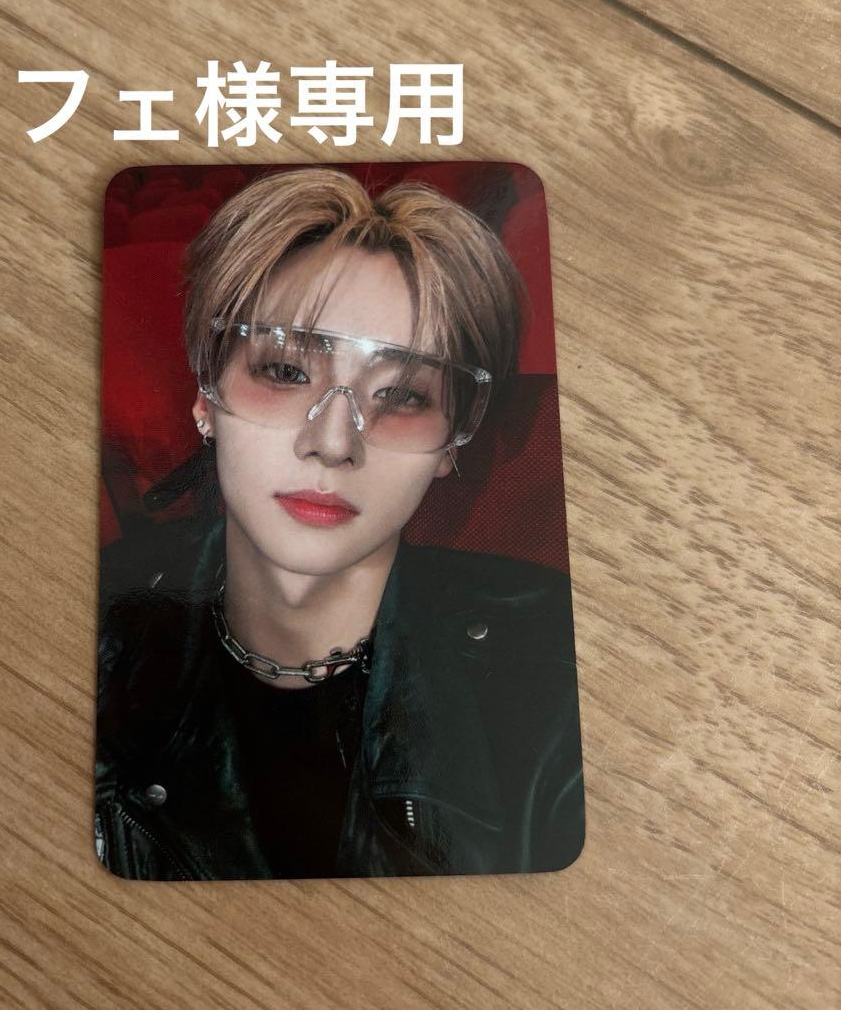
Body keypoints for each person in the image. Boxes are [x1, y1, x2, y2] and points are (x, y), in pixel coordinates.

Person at [95, 167, 585, 880]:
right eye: (286, 372)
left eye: (403, 395)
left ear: (452, 442)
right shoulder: (90, 622)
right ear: (206, 397)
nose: (332, 443)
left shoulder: (554, 666)